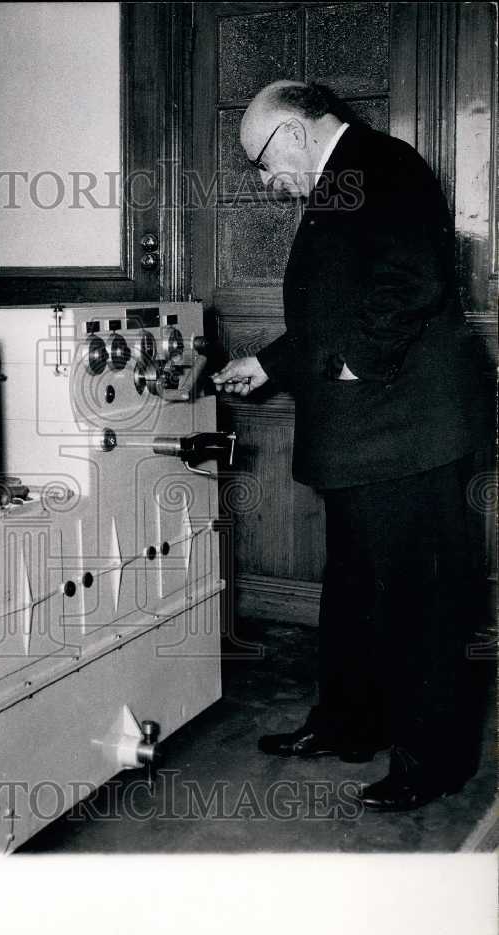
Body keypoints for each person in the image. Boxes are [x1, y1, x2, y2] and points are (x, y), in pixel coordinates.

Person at [212, 80, 494, 812]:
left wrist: (358, 360)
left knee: (424, 602)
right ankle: (347, 722)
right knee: (356, 591)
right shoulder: (341, 180)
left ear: (298, 131)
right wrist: (267, 364)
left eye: (263, 159)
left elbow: (412, 279)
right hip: (369, 434)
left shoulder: (380, 164)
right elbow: (331, 306)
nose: (268, 181)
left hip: (411, 431)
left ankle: (433, 761)